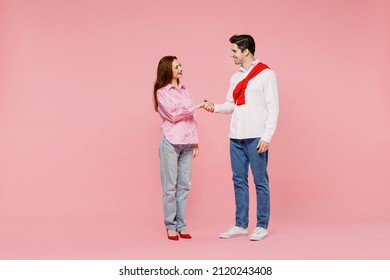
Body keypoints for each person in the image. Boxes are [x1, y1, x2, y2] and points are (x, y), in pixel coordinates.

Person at [202, 34, 279, 241]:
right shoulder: (235, 77)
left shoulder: (266, 74)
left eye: (234, 51)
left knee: (260, 181)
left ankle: (261, 225)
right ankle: (240, 224)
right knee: (238, 180)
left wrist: (267, 136)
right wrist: (214, 107)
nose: (231, 54)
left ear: (246, 51)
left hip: (256, 137)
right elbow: (231, 104)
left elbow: (273, 108)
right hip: (236, 136)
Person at [153, 56, 203, 241]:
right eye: (176, 66)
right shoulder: (162, 92)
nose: (181, 68)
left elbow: (192, 119)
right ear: (168, 70)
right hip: (171, 143)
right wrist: (196, 106)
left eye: (180, 65)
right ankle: (170, 225)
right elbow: (174, 115)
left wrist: (195, 141)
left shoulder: (185, 90)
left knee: (185, 186)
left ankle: (182, 225)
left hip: (187, 143)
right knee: (170, 188)